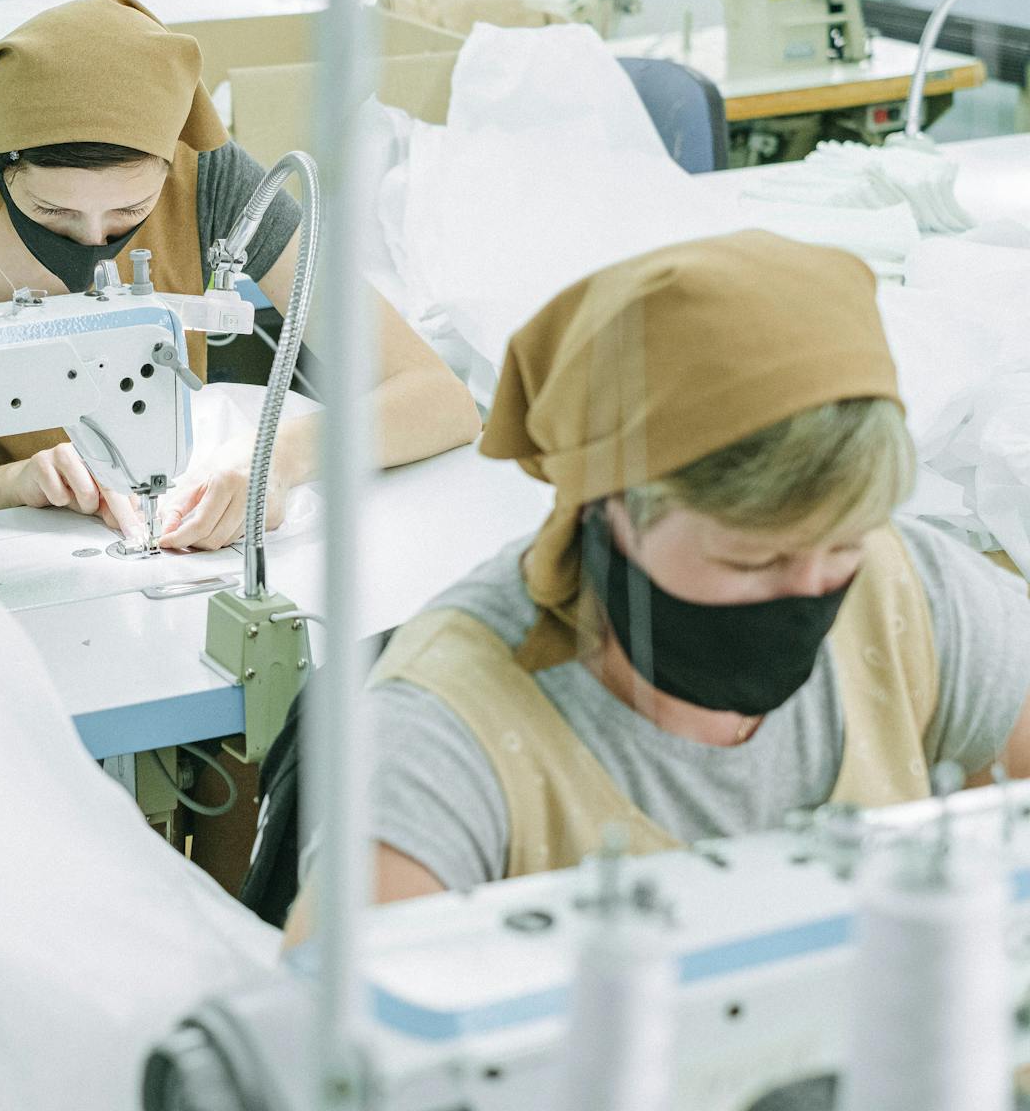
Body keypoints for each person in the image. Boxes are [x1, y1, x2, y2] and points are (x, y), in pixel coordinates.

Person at [283, 232, 1030, 943]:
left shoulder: (909, 594)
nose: (814, 589)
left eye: (840, 543)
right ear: (611, 510)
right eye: (753, 562)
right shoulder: (443, 737)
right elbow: (329, 1053)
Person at [0, 0, 481, 550]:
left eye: (130, 211)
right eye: (53, 212)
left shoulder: (210, 178)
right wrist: (9, 485)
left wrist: (278, 457)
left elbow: (438, 399)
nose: (95, 243)